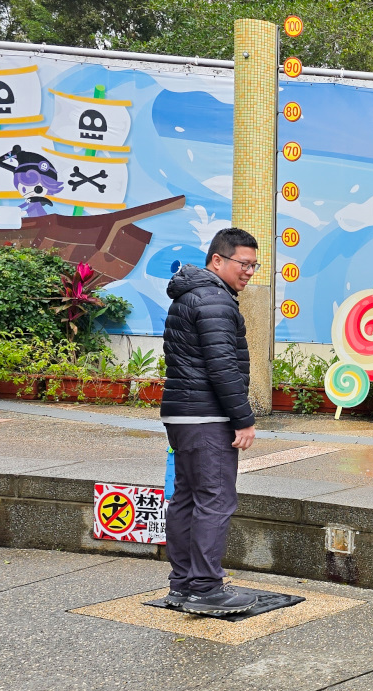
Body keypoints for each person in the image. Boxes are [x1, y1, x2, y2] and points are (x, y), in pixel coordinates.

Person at [158, 228, 260, 616]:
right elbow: (222, 368)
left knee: (186, 497)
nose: (249, 271)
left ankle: (182, 585)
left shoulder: (189, 295)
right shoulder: (215, 299)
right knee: (215, 499)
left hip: (182, 414)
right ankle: (205, 588)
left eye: (254, 265)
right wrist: (243, 419)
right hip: (207, 415)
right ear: (217, 260)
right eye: (243, 264)